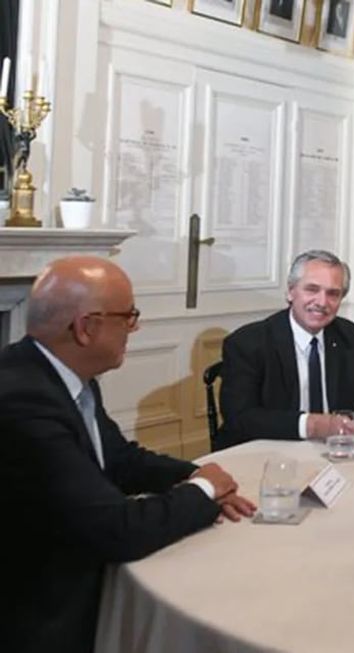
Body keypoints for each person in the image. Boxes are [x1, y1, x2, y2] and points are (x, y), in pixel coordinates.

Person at [0, 256, 255, 653]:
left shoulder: (62, 376)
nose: (135, 328)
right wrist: (204, 491)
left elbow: (119, 459)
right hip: (43, 614)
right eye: (129, 316)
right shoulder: (24, 399)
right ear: (87, 328)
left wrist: (195, 473)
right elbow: (118, 530)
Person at [218, 249, 354, 450]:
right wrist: (313, 425)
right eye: (312, 289)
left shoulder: (348, 334)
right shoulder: (248, 343)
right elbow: (240, 417)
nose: (322, 302)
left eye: (333, 293)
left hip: (336, 452)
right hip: (270, 453)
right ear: (290, 292)